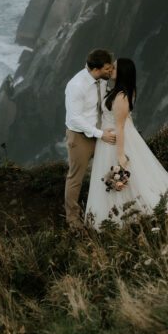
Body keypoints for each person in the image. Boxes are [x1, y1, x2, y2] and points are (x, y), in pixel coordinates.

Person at [85, 58, 168, 229]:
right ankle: (117, 214)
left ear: (122, 73)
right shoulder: (117, 92)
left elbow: (120, 126)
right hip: (108, 140)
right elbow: (128, 118)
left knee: (123, 176)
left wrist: (121, 154)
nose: (111, 69)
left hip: (114, 141)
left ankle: (122, 215)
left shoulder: (121, 96)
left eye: (115, 67)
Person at [64, 48, 116, 228]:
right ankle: (72, 219)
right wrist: (100, 134)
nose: (111, 71)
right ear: (96, 69)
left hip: (100, 132)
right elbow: (74, 119)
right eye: (108, 68)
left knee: (108, 170)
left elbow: (101, 98)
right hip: (80, 137)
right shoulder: (76, 85)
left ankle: (107, 210)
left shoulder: (100, 80)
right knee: (75, 178)